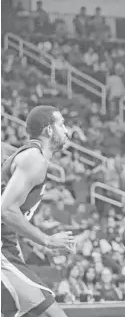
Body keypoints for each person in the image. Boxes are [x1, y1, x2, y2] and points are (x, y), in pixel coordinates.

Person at [1, 105, 75, 317]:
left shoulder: (30, 156)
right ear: (48, 130)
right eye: (61, 124)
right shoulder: (35, 159)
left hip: (7, 245)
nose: (66, 130)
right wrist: (48, 241)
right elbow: (5, 211)